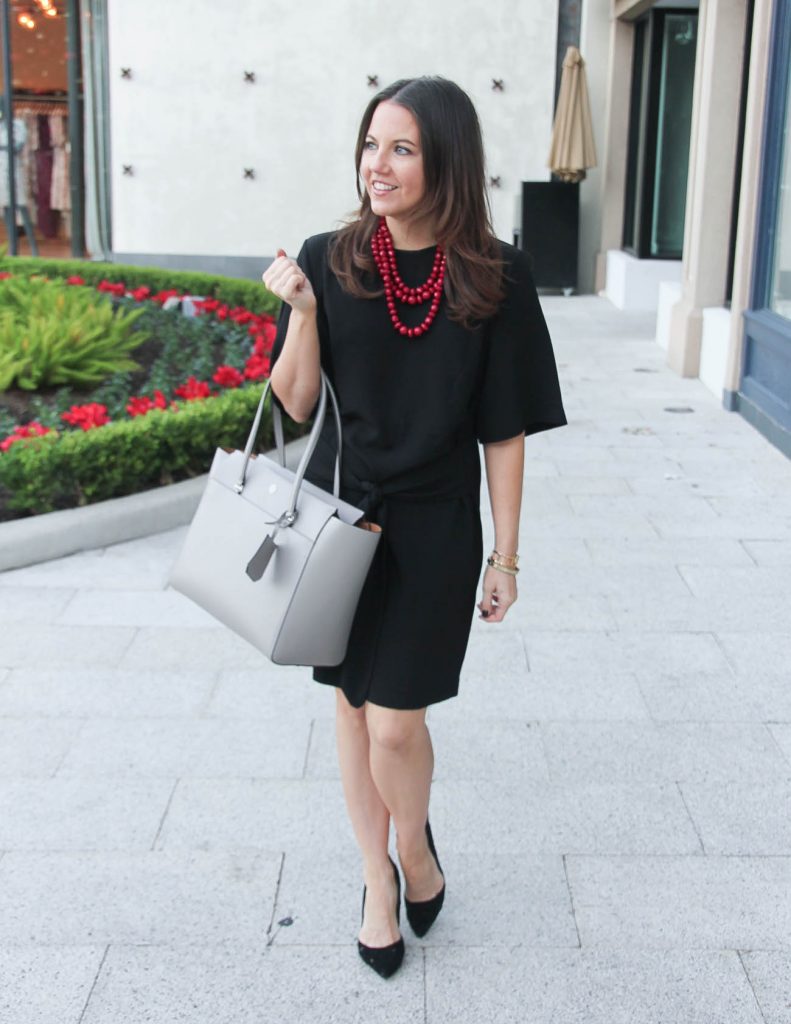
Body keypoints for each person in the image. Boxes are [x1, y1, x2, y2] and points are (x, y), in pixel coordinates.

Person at [262, 76, 567, 979]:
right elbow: (293, 400)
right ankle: (377, 881)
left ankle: (419, 852)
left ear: (445, 162)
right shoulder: (330, 255)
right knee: (352, 712)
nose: (377, 166)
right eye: (369, 145)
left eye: (401, 148)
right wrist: (303, 315)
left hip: (435, 526)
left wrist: (506, 555)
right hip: (337, 519)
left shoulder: (496, 274)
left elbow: (504, 429)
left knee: (397, 725)